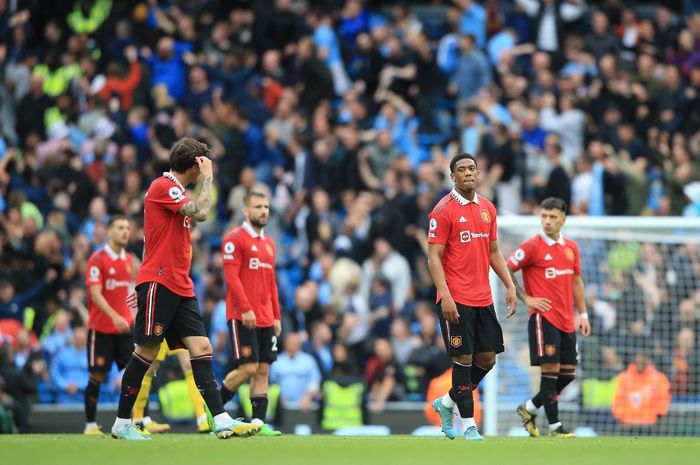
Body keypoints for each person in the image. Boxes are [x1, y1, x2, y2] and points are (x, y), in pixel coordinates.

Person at [110, 138, 261, 440]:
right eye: (203, 163)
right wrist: (208, 180)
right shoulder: (163, 186)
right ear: (195, 166)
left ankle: (219, 419)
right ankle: (122, 422)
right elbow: (202, 211)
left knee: (202, 348)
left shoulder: (172, 191)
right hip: (161, 282)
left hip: (179, 284)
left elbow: (148, 241)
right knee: (146, 353)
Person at [427, 152, 517, 441]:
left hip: (483, 298)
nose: (468, 173)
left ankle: (447, 401)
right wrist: (446, 296)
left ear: (479, 175)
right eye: (462, 169)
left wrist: (510, 285)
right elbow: (433, 258)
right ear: (452, 176)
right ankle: (468, 425)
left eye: (472, 169)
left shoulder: (488, 209)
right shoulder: (442, 211)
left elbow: (493, 252)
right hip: (456, 299)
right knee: (463, 360)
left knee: (487, 359)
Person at [508, 197, 591, 438]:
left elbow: (577, 281)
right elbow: (505, 267)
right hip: (544, 319)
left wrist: (583, 313)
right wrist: (526, 298)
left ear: (563, 219)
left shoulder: (571, 247)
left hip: (567, 320)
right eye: (544, 216)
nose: (547, 221)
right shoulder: (532, 245)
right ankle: (555, 427)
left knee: (567, 375)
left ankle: (529, 408)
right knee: (551, 370)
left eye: (552, 217)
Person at [218, 191, 282, 436]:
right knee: (248, 369)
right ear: (245, 210)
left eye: (266, 206)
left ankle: (258, 422)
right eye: (258, 206)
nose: (263, 210)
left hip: (266, 317)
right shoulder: (235, 239)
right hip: (243, 315)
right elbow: (231, 277)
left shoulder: (269, 243)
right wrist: (245, 308)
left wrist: (276, 315)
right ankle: (214, 413)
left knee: (263, 369)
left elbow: (272, 282)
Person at [83, 216, 138, 435]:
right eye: (120, 227)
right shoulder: (98, 259)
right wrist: (114, 316)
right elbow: (95, 294)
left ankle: (128, 423)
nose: (125, 231)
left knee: (132, 374)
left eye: (127, 228)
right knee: (97, 376)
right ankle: (90, 425)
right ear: (109, 232)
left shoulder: (130, 260)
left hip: (125, 326)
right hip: (102, 328)